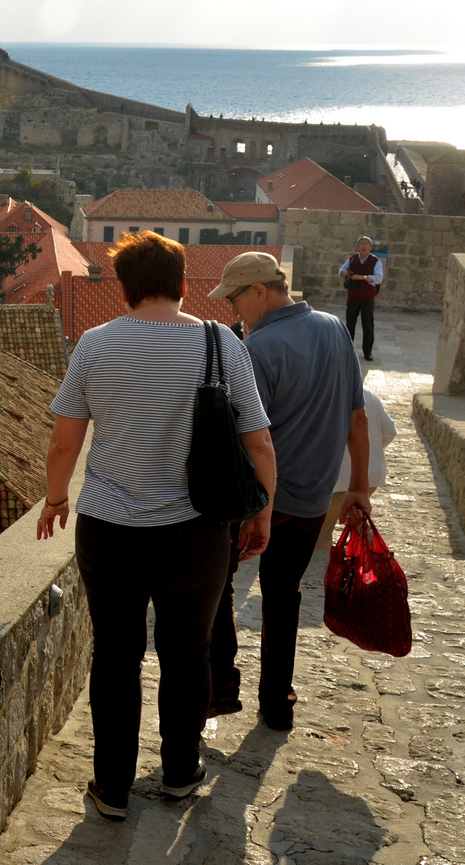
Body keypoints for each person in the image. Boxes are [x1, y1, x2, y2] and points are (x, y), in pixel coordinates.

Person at [40, 232, 277, 821]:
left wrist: (54, 499)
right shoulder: (219, 342)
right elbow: (259, 440)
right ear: (183, 286)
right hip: (194, 530)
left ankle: (112, 788)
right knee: (186, 651)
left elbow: (64, 441)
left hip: (109, 527)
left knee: (116, 655)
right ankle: (178, 773)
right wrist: (262, 510)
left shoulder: (94, 345)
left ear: (122, 287)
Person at [208, 252, 370, 732]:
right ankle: (277, 703)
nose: (235, 313)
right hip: (315, 498)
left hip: (260, 499)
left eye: (237, 300)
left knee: (217, 585)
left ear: (260, 290)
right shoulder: (336, 329)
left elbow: (247, 436)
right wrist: (358, 486)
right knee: (284, 594)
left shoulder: (257, 349)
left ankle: (221, 686)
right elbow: (357, 418)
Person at [321, 388, 396, 549]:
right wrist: (370, 452)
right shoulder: (369, 394)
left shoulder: (326, 391)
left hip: (338, 478)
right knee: (356, 520)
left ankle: (327, 570)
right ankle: (365, 561)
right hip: (370, 473)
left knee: (322, 534)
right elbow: (390, 430)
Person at [338, 236, 384, 361]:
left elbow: (379, 278)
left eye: (366, 244)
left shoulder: (376, 261)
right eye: (361, 244)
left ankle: (367, 352)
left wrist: (363, 277)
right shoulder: (352, 259)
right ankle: (348, 350)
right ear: (358, 247)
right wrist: (345, 273)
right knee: (350, 323)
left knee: (368, 324)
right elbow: (341, 270)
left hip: (367, 298)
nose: (363, 246)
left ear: (370, 247)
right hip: (353, 296)